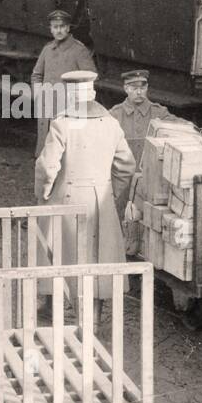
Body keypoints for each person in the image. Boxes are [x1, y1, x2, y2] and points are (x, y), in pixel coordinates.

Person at [35, 71, 136, 302]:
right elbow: (126, 167)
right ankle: (95, 322)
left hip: (67, 199)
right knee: (98, 260)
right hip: (101, 201)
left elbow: (47, 166)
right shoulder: (111, 123)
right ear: (92, 93)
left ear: (70, 95)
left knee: (60, 254)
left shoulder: (62, 123)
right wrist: (112, 199)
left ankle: (54, 310)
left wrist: (44, 194)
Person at [31, 9, 95, 156]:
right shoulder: (47, 50)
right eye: (55, 27)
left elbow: (90, 76)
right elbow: (36, 75)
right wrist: (39, 96)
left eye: (62, 26)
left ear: (68, 28)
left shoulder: (79, 50)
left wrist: (78, 101)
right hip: (47, 110)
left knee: (67, 153)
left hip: (69, 109)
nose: (58, 30)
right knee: (45, 153)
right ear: (51, 29)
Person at [110, 69, 172, 164]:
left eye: (142, 88)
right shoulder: (115, 114)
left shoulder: (159, 112)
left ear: (147, 87)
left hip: (151, 171)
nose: (139, 92)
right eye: (134, 89)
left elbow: (182, 127)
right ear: (126, 89)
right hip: (123, 173)